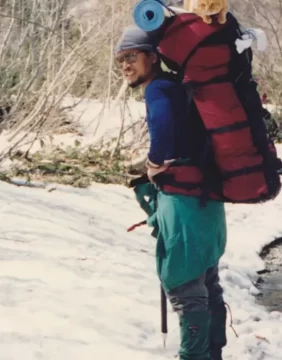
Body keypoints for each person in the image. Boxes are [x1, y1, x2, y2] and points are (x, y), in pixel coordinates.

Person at [115, 25, 229, 360]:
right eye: (121, 59)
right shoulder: (179, 86)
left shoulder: (158, 89)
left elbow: (163, 130)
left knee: (183, 287)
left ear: (152, 57)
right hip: (206, 201)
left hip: (184, 205)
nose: (125, 65)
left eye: (131, 57)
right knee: (207, 283)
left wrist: (152, 163)